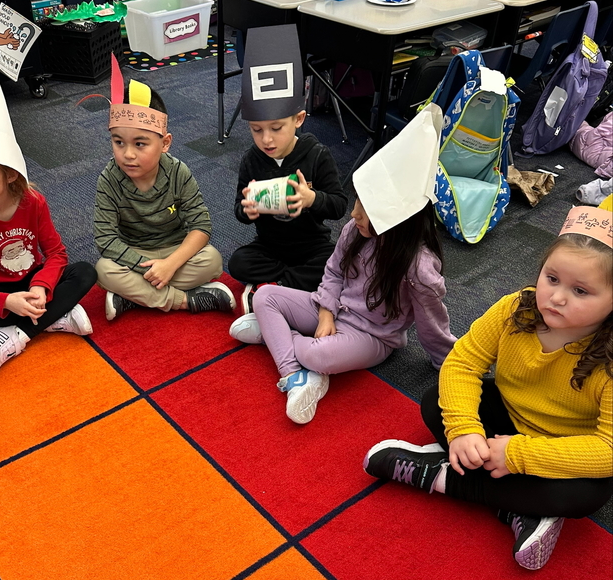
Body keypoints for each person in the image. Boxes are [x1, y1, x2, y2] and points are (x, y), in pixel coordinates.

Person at [364, 205, 613, 571]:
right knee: (435, 403)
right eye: (551, 278)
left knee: (586, 494)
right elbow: (462, 363)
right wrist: (465, 429)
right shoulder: (515, 309)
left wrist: (519, 455)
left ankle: (436, 475)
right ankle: (521, 507)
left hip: (565, 448)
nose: (557, 298)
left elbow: (607, 448)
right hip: (509, 418)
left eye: (580, 291)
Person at [233, 105, 456, 424]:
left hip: (372, 335)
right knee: (265, 297)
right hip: (332, 308)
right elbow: (334, 271)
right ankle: (294, 370)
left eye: (365, 212)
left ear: (395, 221)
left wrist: (448, 361)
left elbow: (432, 322)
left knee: (316, 354)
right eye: (357, 205)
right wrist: (325, 311)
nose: (353, 216)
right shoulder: (356, 230)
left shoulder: (418, 266)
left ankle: (283, 349)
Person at [0, 78, 97, 377]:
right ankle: (51, 317)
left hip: (31, 282)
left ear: (10, 174)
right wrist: (6, 300)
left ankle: (15, 333)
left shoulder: (33, 201)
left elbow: (57, 255)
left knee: (86, 271)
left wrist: (40, 287)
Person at [95, 57, 234, 320]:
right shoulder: (109, 178)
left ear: (165, 143)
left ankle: (135, 297)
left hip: (175, 251)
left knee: (212, 260)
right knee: (103, 270)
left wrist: (170, 265)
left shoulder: (178, 171)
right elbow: (105, 240)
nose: (127, 155)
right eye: (118, 142)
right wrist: (148, 268)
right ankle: (184, 300)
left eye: (140, 144)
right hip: (135, 255)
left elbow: (201, 226)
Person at [227, 25, 347, 321]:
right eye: (256, 130)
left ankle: (273, 290)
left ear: (299, 119)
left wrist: (311, 199)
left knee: (339, 263)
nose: (266, 139)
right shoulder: (251, 160)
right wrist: (248, 210)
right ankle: (288, 290)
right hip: (270, 247)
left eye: (276, 129)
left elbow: (339, 205)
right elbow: (239, 212)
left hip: (311, 245)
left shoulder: (316, 154)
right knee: (238, 262)